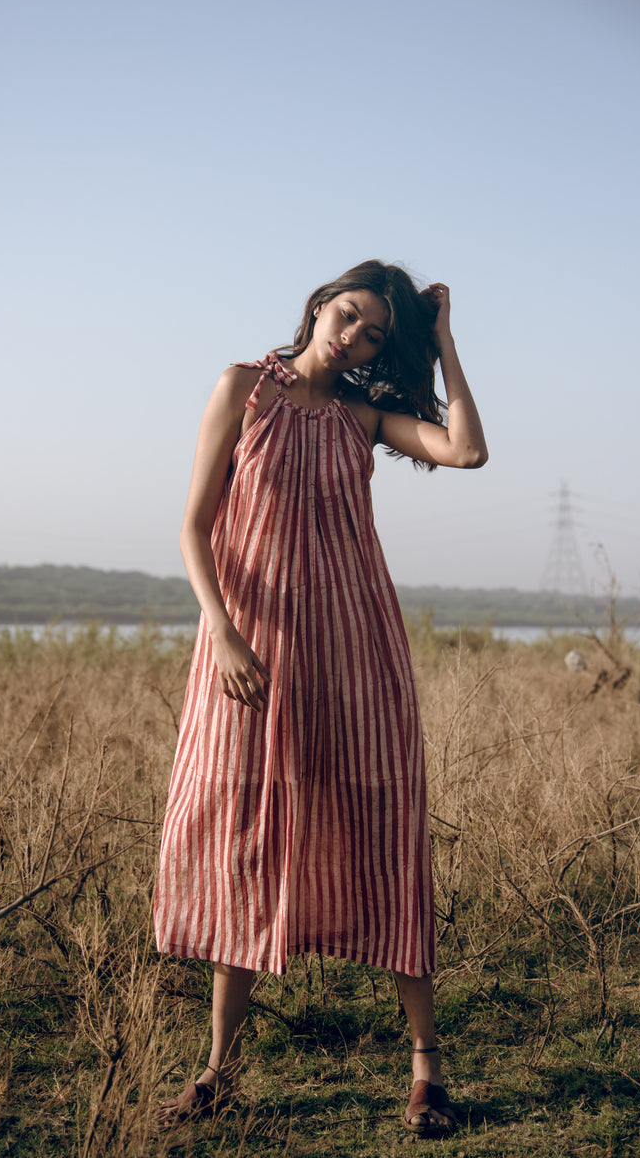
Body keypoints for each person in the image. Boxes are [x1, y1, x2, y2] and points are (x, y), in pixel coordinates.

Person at [153, 260, 487, 1136]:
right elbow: (193, 524)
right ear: (318, 307)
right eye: (348, 316)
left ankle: (427, 1071)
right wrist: (223, 630)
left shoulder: (361, 419)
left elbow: (467, 449)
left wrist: (445, 343)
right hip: (248, 658)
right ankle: (217, 1070)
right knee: (241, 842)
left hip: (355, 656)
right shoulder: (243, 390)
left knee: (382, 836)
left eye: (375, 332)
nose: (354, 337)